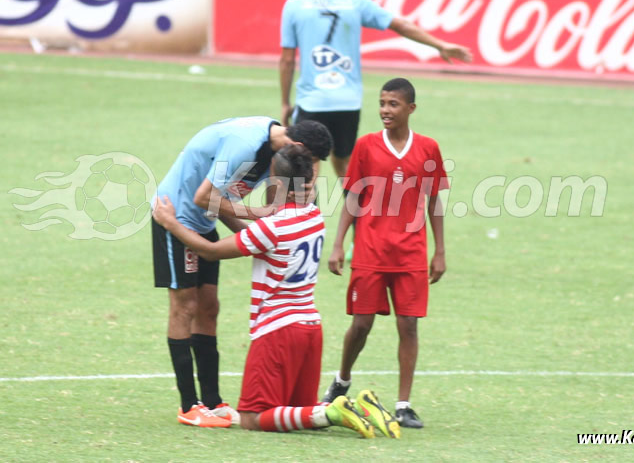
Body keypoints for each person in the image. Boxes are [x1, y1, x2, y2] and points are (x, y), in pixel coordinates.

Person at [153, 144, 401, 439]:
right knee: (297, 412)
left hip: (277, 331)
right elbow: (258, 237)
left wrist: (170, 222)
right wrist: (218, 209)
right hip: (310, 330)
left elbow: (210, 251)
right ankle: (359, 408)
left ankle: (330, 411)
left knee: (251, 417)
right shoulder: (314, 216)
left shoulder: (271, 228)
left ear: (278, 185)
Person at [152, 116, 332, 427]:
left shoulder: (275, 154)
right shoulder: (245, 146)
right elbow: (204, 198)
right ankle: (188, 406)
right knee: (185, 306)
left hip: (204, 223)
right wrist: (258, 216)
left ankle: (212, 402)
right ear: (298, 146)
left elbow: (224, 203)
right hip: (175, 217)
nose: (311, 171)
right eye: (312, 161)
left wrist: (257, 236)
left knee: (209, 308)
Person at [280, 0, 472, 179]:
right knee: (345, 166)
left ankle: (307, 205)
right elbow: (401, 25)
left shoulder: (294, 5)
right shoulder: (355, 2)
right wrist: (439, 45)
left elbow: (287, 60)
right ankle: (360, 206)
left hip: (312, 101)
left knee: (307, 166)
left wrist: (285, 102)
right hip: (347, 102)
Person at [322, 78, 449, 429]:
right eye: (382, 103)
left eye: (393, 104)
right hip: (370, 251)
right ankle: (342, 381)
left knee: (408, 325)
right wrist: (338, 243)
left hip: (411, 254)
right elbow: (352, 198)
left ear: (411, 108)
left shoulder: (428, 148)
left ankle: (404, 405)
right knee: (361, 325)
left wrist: (440, 251)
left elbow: (434, 201)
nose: (385, 110)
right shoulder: (365, 146)